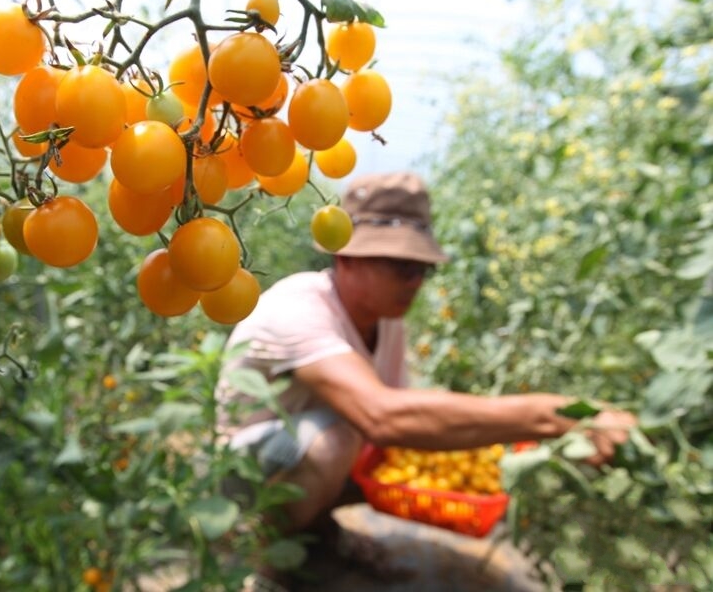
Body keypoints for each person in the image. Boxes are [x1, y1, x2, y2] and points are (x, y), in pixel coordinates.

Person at [215, 171, 636, 541]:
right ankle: (261, 551)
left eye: (424, 269)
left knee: (384, 449)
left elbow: (402, 421)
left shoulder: (389, 323)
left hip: (300, 457)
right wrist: (558, 416)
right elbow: (382, 417)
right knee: (340, 439)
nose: (415, 281)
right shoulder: (298, 308)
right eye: (402, 266)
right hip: (241, 476)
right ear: (346, 256)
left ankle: (314, 529)